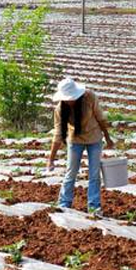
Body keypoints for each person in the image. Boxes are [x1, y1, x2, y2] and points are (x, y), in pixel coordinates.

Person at [47, 78, 114, 214]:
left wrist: (108, 137)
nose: (69, 101)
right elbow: (58, 133)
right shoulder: (60, 109)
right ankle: (64, 204)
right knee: (71, 172)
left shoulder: (89, 97)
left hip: (94, 138)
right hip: (74, 140)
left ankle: (94, 207)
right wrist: (51, 159)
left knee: (94, 174)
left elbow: (100, 117)